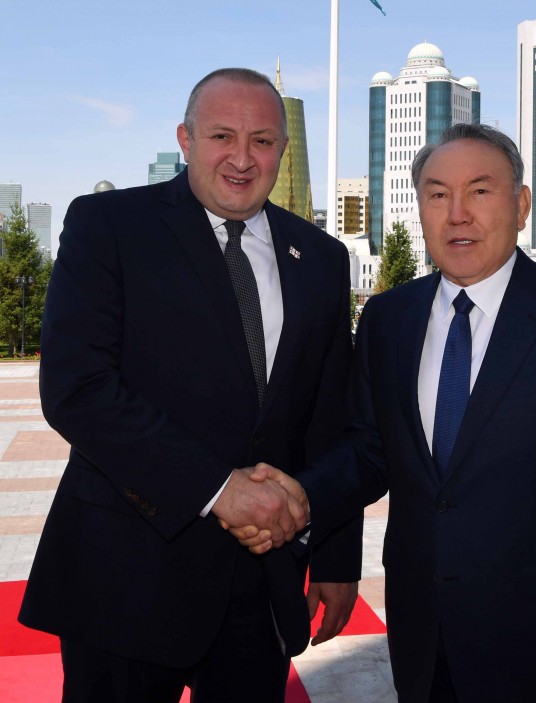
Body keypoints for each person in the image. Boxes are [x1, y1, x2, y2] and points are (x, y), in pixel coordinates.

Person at [235, 123, 536, 702]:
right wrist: (301, 497)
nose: (457, 214)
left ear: (521, 205)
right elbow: (370, 451)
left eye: (479, 191)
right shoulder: (389, 319)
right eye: (437, 194)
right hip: (424, 639)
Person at [19, 68, 360, 703]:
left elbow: (329, 418)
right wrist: (218, 490)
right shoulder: (108, 225)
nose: (242, 158)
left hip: (261, 585)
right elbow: (77, 387)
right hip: (124, 579)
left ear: (283, 150)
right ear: (185, 138)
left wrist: (337, 559)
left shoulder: (320, 256)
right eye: (222, 136)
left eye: (262, 141)